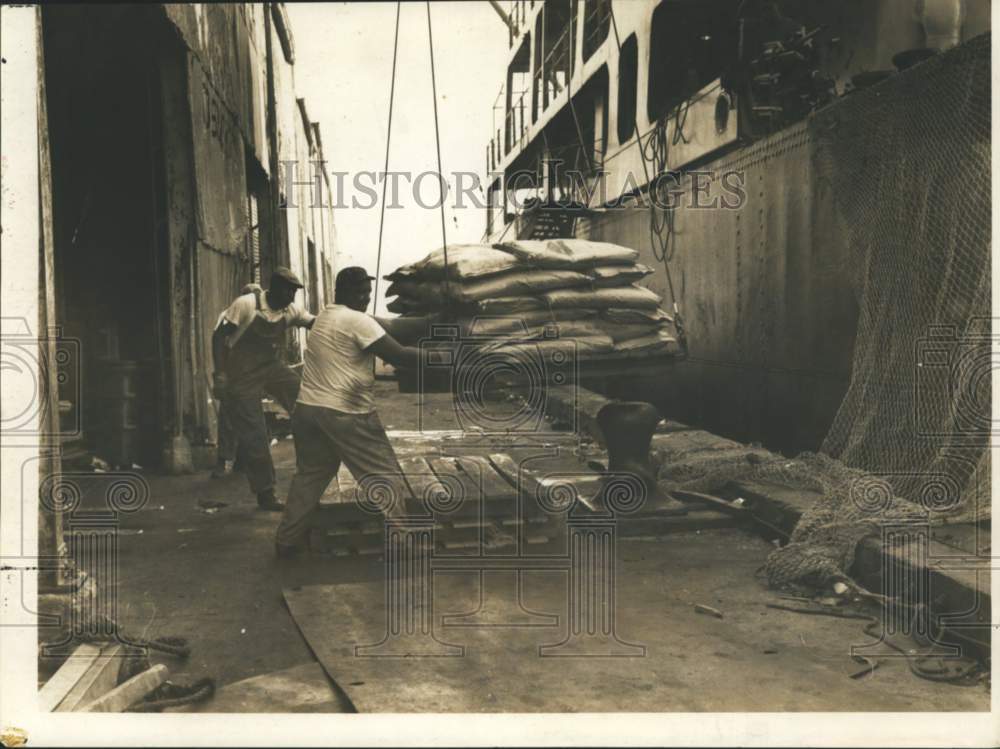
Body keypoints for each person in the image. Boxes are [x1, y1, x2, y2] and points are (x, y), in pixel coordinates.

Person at [274, 266, 436, 557]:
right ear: (342, 292)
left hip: (308, 409)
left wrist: (431, 320)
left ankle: (286, 541)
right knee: (383, 472)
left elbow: (394, 326)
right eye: (359, 293)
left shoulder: (327, 315)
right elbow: (398, 354)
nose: (364, 298)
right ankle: (401, 541)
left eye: (367, 293)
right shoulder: (356, 320)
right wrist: (448, 359)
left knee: (311, 475)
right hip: (346, 413)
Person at [212, 268, 315, 510]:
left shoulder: (290, 310)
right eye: (289, 290)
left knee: (305, 398)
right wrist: (220, 374)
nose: (292, 296)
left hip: (271, 368)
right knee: (255, 433)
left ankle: (315, 461)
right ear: (275, 287)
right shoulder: (247, 304)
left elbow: (314, 323)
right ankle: (265, 494)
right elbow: (218, 337)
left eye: (295, 291)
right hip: (241, 374)